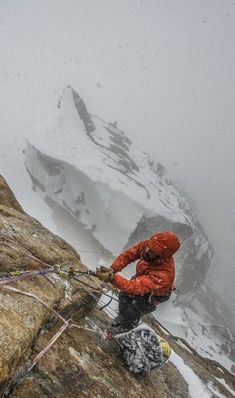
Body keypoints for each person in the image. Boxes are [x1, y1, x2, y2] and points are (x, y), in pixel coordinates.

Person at [96, 230, 180, 333]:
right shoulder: (150, 246)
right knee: (124, 296)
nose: (146, 252)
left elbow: (133, 287)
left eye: (151, 253)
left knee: (136, 308)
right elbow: (128, 255)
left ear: (161, 256)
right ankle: (122, 317)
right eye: (148, 247)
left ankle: (126, 328)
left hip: (154, 294)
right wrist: (113, 269)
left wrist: (112, 278)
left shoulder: (164, 274)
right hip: (144, 277)